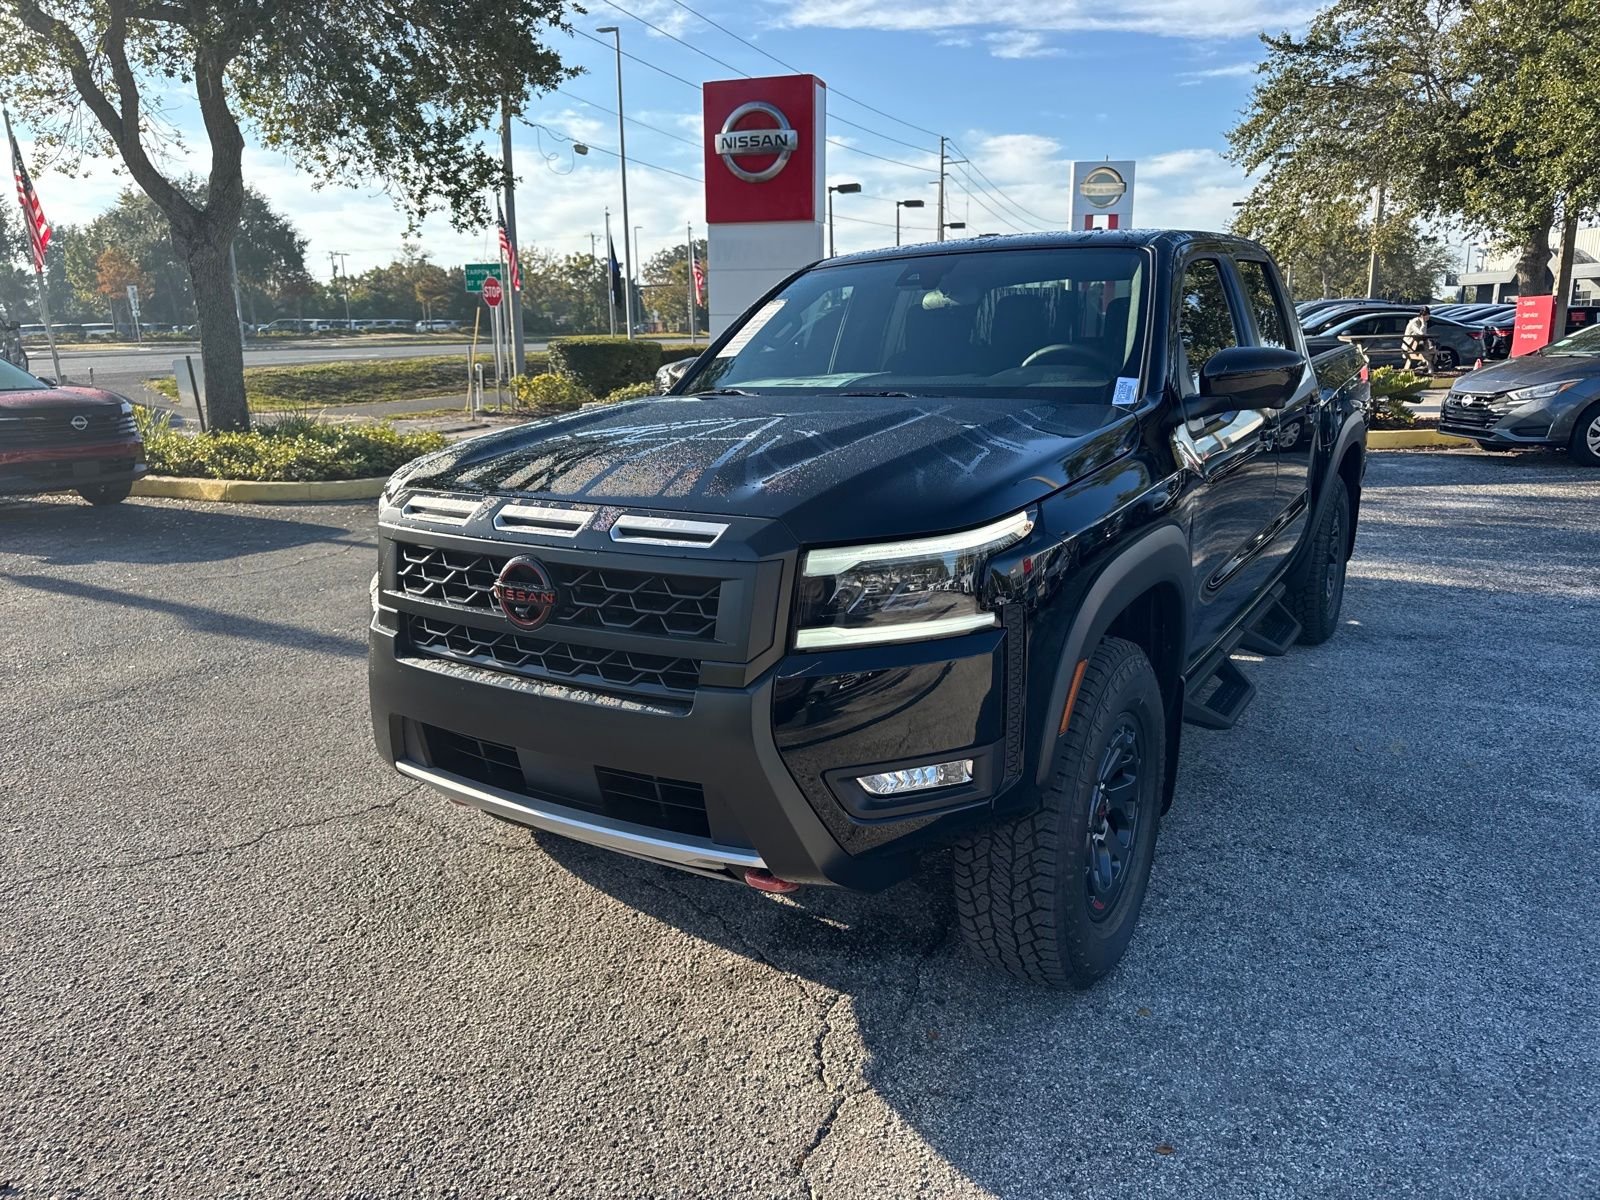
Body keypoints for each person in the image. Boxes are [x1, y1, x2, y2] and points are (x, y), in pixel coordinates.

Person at [1402, 306, 1434, 375]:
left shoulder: (1425, 323)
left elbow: (1423, 335)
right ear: (1422, 316)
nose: (1428, 317)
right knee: (1427, 351)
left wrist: (1424, 324)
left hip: (1418, 344)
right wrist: (1423, 324)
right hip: (1409, 345)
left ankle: (1429, 369)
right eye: (1426, 316)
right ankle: (1428, 353)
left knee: (1428, 352)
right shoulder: (1414, 322)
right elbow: (1421, 333)